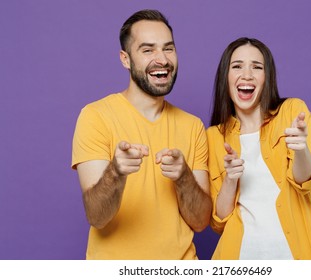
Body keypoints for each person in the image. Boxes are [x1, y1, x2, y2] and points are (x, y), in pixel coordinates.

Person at [71, 9, 212, 260]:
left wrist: (183, 177)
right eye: (148, 50)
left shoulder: (193, 126)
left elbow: (200, 222)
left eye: (168, 48)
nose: (162, 59)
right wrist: (116, 171)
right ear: (125, 59)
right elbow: (97, 216)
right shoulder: (95, 116)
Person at [207, 37, 311, 260]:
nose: (247, 74)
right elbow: (219, 221)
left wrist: (301, 149)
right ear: (226, 77)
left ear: (267, 77)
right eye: (237, 66)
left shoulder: (292, 110)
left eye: (257, 67)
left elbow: (306, 182)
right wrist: (230, 179)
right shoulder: (215, 136)